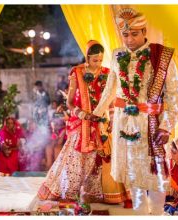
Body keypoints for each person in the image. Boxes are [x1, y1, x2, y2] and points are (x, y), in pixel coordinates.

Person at [92, 8, 178, 215]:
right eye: (125, 34)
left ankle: (157, 213)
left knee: (154, 174)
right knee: (133, 174)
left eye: (134, 34)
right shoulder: (116, 54)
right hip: (124, 123)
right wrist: (94, 115)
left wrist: (166, 126)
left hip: (150, 123)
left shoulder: (161, 55)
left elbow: (174, 95)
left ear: (144, 32)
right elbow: (109, 90)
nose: (129, 39)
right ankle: (140, 214)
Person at [37, 40, 119, 203]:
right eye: (94, 60)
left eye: (100, 60)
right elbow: (69, 103)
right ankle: (71, 190)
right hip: (81, 123)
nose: (98, 64)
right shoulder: (77, 72)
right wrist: (82, 114)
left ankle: (96, 193)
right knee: (76, 157)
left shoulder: (107, 73)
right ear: (87, 58)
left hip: (101, 124)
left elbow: (111, 100)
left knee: (100, 157)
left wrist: (111, 117)